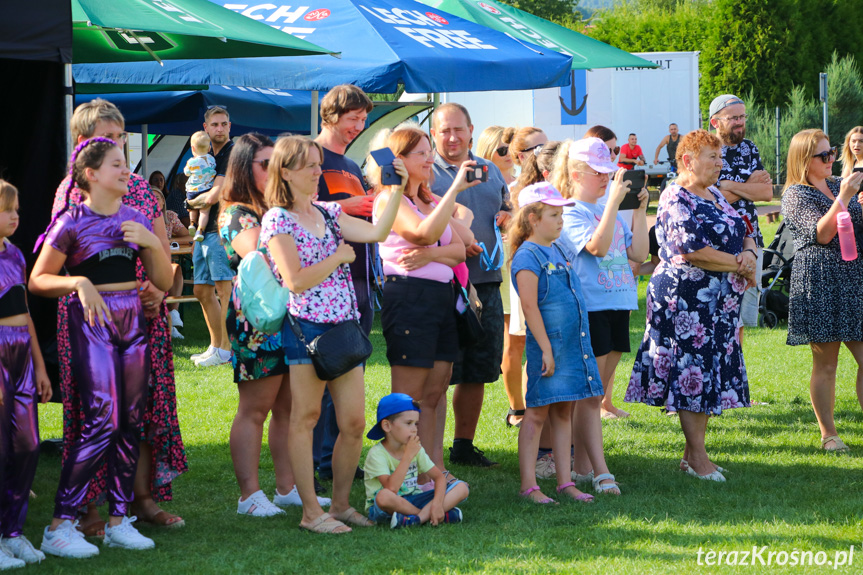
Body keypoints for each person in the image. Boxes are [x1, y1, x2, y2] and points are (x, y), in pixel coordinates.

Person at [49, 99, 186, 537]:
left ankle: (136, 502)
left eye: (121, 138)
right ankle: (86, 507)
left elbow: (162, 252)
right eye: (107, 139)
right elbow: (58, 264)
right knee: (94, 410)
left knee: (139, 411)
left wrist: (155, 289)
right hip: (91, 317)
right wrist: (84, 287)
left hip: (144, 314)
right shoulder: (72, 194)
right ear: (83, 144)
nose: (119, 147)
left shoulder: (142, 190)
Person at [260, 135, 404, 534]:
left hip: (343, 325)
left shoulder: (326, 211)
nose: (317, 170)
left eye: (317, 163)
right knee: (304, 419)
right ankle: (310, 512)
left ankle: (339, 505)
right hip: (306, 328)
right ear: (285, 172)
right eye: (308, 164)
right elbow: (295, 280)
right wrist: (337, 256)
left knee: (354, 423)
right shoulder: (278, 219)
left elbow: (378, 232)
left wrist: (396, 189)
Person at [625, 129, 755, 481]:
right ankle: (698, 459)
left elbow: (744, 228)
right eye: (711, 158)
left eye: (719, 157)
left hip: (719, 303)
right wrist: (739, 264)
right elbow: (691, 249)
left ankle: (691, 455)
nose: (719, 164)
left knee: (709, 373)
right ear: (687, 160)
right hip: (685, 303)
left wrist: (749, 252)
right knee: (691, 375)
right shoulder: (674, 196)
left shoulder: (713, 193)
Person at [217, 133, 331, 516]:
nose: (273, 170)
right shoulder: (237, 213)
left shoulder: (283, 208)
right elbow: (261, 252)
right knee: (255, 409)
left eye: (277, 163)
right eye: (265, 164)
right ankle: (249, 494)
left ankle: (288, 488)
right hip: (259, 321)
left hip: (291, 317)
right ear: (243, 168)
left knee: (288, 408)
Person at [370, 123, 475, 479]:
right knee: (408, 395)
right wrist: (454, 192)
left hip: (441, 298)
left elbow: (463, 247)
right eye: (421, 152)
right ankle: (400, 472)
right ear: (398, 160)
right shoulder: (390, 198)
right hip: (410, 297)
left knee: (436, 390)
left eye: (430, 150)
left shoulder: (427, 200)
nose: (431, 157)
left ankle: (434, 469)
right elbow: (423, 233)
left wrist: (431, 256)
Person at [510, 182, 619, 504]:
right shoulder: (526, 256)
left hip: (571, 347)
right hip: (549, 350)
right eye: (554, 215)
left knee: (563, 413)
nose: (561, 221)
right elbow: (530, 307)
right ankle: (529, 485)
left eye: (561, 215)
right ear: (532, 218)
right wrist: (545, 349)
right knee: (536, 414)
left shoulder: (557, 249)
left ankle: (564, 482)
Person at [555, 138, 648, 492]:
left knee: (594, 395)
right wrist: (611, 206)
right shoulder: (570, 211)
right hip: (591, 306)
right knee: (590, 395)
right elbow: (595, 247)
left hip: (618, 304)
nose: (606, 179)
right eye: (599, 173)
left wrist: (638, 212)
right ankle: (599, 469)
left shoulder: (607, 210)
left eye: (608, 173)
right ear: (576, 173)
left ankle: (582, 467)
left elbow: (638, 254)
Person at [431, 103, 511, 468]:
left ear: (471, 130)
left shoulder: (491, 170)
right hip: (441, 285)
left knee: (478, 369)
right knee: (438, 372)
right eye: (444, 130)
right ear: (434, 133)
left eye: (458, 130)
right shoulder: (425, 171)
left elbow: (506, 208)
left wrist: (508, 216)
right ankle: (425, 451)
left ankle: (463, 445)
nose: (452, 137)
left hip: (487, 281)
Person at [780, 129, 863, 453]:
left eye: (832, 153)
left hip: (855, 278)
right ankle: (829, 433)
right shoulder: (794, 194)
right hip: (821, 281)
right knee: (827, 364)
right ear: (804, 160)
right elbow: (823, 234)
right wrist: (843, 198)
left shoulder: (834, 185)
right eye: (824, 155)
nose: (832, 159)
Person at [313, 85, 375, 484]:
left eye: (363, 119)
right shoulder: (310, 157)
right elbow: (291, 209)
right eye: (352, 117)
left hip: (359, 280)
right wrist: (345, 207)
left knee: (350, 370)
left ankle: (338, 456)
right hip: (326, 282)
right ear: (331, 114)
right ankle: (322, 459)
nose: (358, 125)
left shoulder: (351, 165)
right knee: (326, 371)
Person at [0, 180, 52, 567]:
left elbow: (26, 314)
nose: (15, 216)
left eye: (16, 209)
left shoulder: (16, 254)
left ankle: (13, 531)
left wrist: (39, 364)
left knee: (28, 445)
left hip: (22, 353)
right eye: (6, 210)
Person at [708, 94, 773, 328]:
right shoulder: (706, 150)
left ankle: (739, 365)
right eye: (733, 117)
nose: (740, 122)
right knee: (719, 314)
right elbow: (711, 199)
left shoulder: (749, 148)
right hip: (717, 244)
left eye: (742, 116)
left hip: (751, 241)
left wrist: (729, 185)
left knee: (746, 316)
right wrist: (748, 184)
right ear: (715, 122)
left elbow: (766, 193)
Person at [476, 126, 524, 428]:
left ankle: (529, 403)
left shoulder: (519, 184)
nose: (509, 156)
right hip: (498, 265)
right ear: (488, 151)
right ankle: (516, 407)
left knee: (527, 337)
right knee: (512, 339)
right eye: (502, 149)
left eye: (512, 149)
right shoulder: (481, 183)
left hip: (522, 262)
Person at [363, 393, 469, 528]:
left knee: (462, 487)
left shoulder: (415, 449)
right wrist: (408, 456)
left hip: (414, 500)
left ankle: (416, 519)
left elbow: (439, 478)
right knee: (384, 496)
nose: (414, 429)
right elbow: (392, 488)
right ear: (387, 426)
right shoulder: (377, 454)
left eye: (416, 424)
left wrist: (437, 503)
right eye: (408, 423)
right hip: (384, 508)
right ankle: (431, 516)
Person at [187, 106, 234, 367]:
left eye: (224, 124)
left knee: (223, 289)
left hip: (223, 228)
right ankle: (215, 346)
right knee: (201, 289)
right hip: (204, 232)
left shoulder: (232, 152)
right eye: (215, 124)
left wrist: (191, 203)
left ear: (230, 126)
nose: (219, 128)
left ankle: (226, 350)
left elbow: (214, 195)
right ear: (205, 127)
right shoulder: (203, 153)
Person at [184, 131, 217, 242]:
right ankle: (200, 230)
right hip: (206, 190)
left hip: (192, 190)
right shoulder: (212, 159)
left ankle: (192, 223)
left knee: (192, 208)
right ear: (209, 148)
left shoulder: (191, 162)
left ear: (193, 148)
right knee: (204, 212)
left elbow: (186, 173)